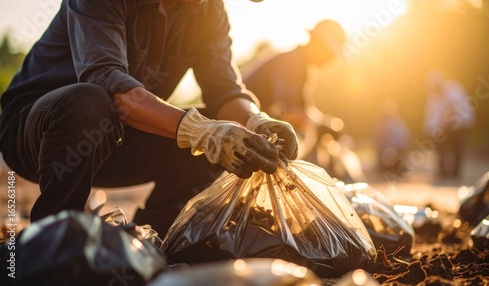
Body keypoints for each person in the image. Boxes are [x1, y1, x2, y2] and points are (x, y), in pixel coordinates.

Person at [0, 0, 298, 237]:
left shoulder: (209, 10)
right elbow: (108, 82)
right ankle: (50, 242)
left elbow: (225, 91)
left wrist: (256, 122)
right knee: (90, 101)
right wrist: (202, 132)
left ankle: (151, 238)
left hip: (117, 136)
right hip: (37, 135)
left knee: (221, 134)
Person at [242, 19, 364, 182]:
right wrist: (318, 125)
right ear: (317, 43)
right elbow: (286, 109)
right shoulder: (291, 63)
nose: (331, 60)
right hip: (240, 127)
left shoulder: (303, 67)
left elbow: (304, 110)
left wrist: (326, 123)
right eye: (330, 53)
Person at [423, 68, 475, 178]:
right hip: (446, 127)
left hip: (459, 125)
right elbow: (433, 114)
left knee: (456, 148)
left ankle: (455, 173)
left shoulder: (453, 89)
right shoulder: (434, 95)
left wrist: (444, 125)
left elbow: (453, 109)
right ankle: (443, 171)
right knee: (442, 148)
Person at [373, 97, 412, 178]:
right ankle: (383, 169)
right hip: (384, 151)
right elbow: (377, 140)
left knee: (398, 155)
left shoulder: (398, 123)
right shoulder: (380, 124)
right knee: (384, 154)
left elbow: (404, 140)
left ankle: (399, 169)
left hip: (397, 150)